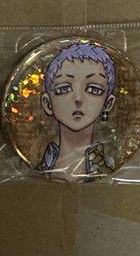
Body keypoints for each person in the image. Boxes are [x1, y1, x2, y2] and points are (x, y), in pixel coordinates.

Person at [37, 41, 118, 179]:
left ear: (107, 104)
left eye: (93, 89)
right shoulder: (37, 172)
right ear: (48, 103)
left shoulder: (108, 174)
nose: (78, 98)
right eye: (64, 89)